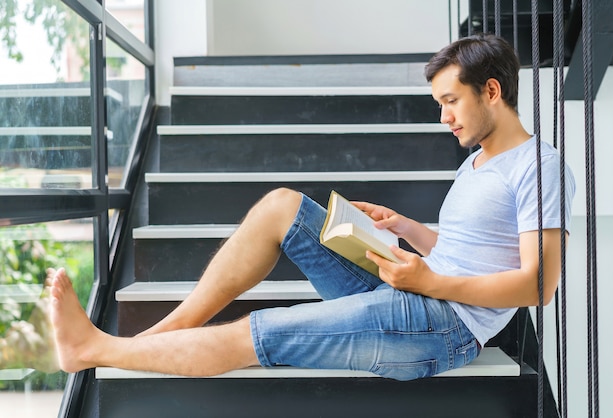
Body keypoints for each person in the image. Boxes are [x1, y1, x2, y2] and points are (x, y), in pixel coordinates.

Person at [46, 33, 575, 381]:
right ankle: (167, 331)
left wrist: (429, 283)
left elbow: (536, 285)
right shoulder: (479, 161)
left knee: (263, 330)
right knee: (283, 206)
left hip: (443, 326)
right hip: (420, 288)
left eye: (451, 102)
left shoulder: (539, 167)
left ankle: (92, 349)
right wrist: (407, 227)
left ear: (491, 91)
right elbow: (475, 252)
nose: (444, 118)